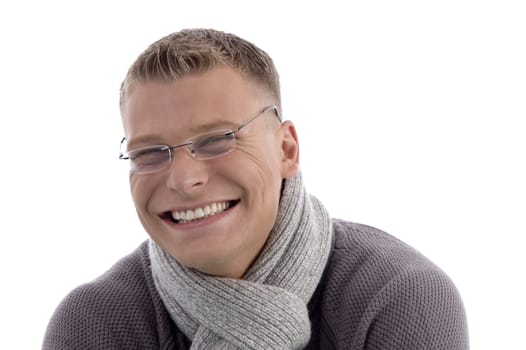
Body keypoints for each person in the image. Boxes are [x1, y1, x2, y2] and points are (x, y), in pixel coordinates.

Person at [43, 28, 469, 349]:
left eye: (215, 141)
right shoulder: (93, 324)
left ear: (287, 149)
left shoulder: (398, 297)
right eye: (150, 152)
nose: (183, 179)